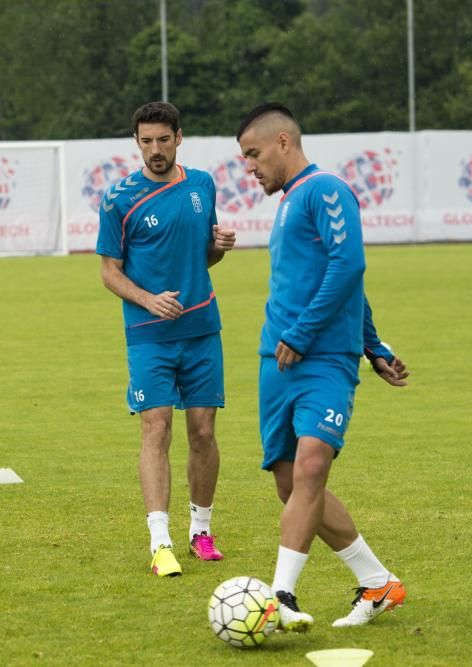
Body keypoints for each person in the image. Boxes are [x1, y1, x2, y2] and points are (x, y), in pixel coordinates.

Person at [236, 102, 408, 630]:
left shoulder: (325, 189)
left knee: (312, 466)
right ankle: (379, 584)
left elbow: (349, 264)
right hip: (277, 361)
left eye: (254, 153)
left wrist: (357, 345)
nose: (250, 166)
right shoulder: (288, 203)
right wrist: (374, 343)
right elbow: (343, 280)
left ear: (284, 142)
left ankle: (279, 596)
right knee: (291, 486)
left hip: (322, 359)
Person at [96, 101, 237, 577]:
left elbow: (202, 258)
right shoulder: (119, 199)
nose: (154, 149)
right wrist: (148, 299)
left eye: (162, 139)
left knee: (203, 432)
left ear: (180, 137)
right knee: (156, 427)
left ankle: (201, 531)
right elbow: (109, 273)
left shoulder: (201, 185)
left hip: (201, 329)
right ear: (136, 143)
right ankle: (160, 543)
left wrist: (218, 249)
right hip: (149, 334)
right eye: (145, 141)